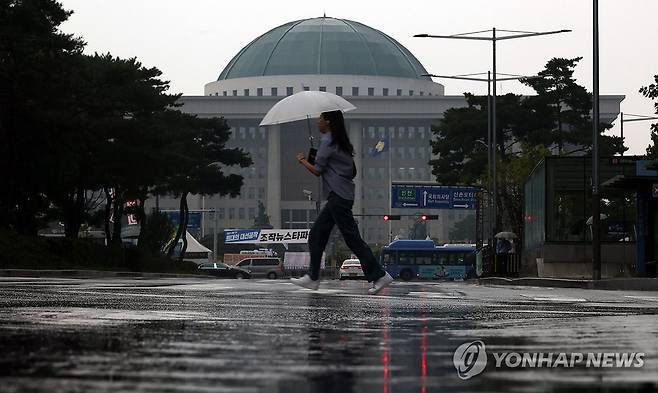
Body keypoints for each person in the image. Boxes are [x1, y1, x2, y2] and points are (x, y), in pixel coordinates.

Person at [291, 110, 393, 294]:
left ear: (328, 122)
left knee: (352, 239)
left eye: (321, 119)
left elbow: (317, 171)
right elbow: (348, 170)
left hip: (338, 196)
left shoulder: (328, 141)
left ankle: (379, 275)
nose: (318, 122)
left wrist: (302, 160)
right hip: (340, 195)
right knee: (317, 234)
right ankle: (313, 277)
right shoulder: (340, 142)